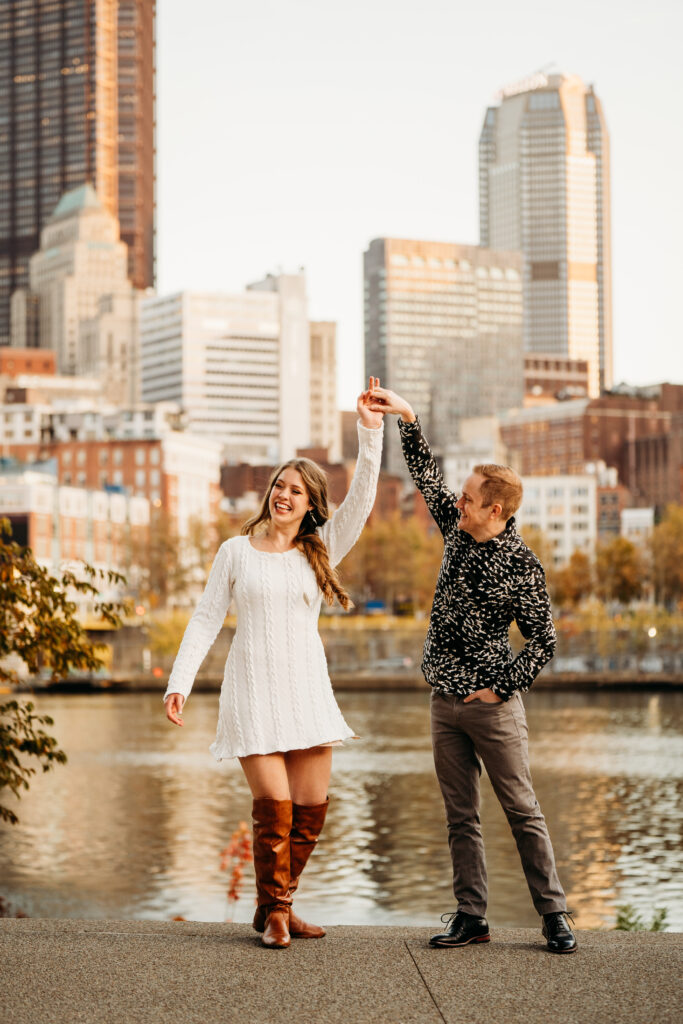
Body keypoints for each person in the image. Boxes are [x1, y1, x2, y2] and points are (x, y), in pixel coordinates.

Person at [163, 379, 384, 949]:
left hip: (307, 690)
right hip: (253, 691)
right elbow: (207, 618)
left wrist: (369, 429)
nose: (284, 495)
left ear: (311, 505)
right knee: (275, 809)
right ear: (270, 494)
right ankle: (280, 915)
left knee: (311, 811)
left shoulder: (321, 550)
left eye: (297, 491)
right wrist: (179, 683)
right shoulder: (235, 552)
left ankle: (274, 907)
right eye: (279, 486)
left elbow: (361, 496)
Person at [367, 386, 577, 955]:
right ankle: (471, 916)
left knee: (522, 810)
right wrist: (407, 417)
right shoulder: (456, 531)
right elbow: (425, 476)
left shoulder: (522, 565)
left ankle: (554, 915)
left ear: (496, 509)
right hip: (443, 701)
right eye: (459, 498)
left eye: (468, 500)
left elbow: (543, 640)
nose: (456, 504)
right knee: (461, 816)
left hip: (492, 709)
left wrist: (499, 687)